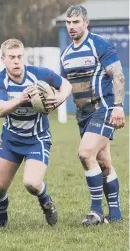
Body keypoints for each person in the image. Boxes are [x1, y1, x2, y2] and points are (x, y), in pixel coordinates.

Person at [0, 39, 72, 227]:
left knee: (32, 183)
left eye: (19, 57)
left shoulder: (38, 74)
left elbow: (66, 85)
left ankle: (46, 201)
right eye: (12, 57)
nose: (16, 61)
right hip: (11, 141)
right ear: (3, 59)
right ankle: (1, 223)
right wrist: (20, 100)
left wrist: (58, 98)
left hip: (37, 139)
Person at [60, 5, 126, 226]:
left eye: (76, 22)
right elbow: (64, 86)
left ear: (86, 23)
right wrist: (52, 100)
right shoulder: (66, 54)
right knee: (103, 162)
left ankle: (96, 212)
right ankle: (115, 215)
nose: (71, 27)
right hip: (83, 115)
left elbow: (117, 75)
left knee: (85, 153)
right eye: (68, 23)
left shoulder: (99, 44)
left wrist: (118, 106)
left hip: (103, 108)